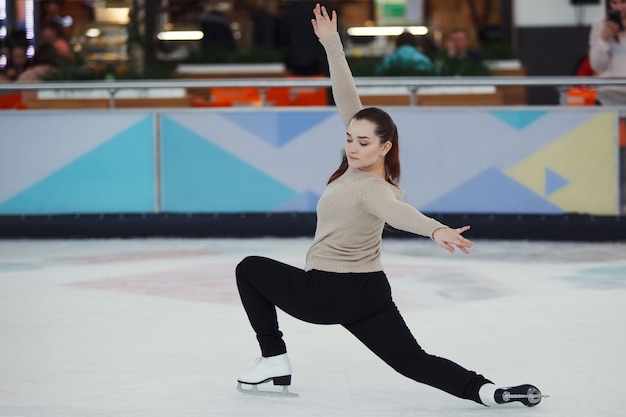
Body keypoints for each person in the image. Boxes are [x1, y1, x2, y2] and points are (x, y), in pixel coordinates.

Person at [235, 3, 545, 408]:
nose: (353, 146)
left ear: (385, 147)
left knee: (250, 268)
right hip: (370, 292)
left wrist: (435, 229)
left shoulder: (372, 187)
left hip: (327, 292)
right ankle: (489, 392)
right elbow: (347, 96)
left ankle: (273, 359)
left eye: (363, 143)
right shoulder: (361, 159)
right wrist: (331, 43)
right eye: (349, 138)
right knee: (410, 360)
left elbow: (399, 213)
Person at [588, 0, 626, 105]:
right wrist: (603, 38)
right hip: (608, 94)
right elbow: (596, 66)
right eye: (614, 2)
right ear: (608, 4)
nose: (619, 7)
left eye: (623, 2)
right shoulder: (599, 24)